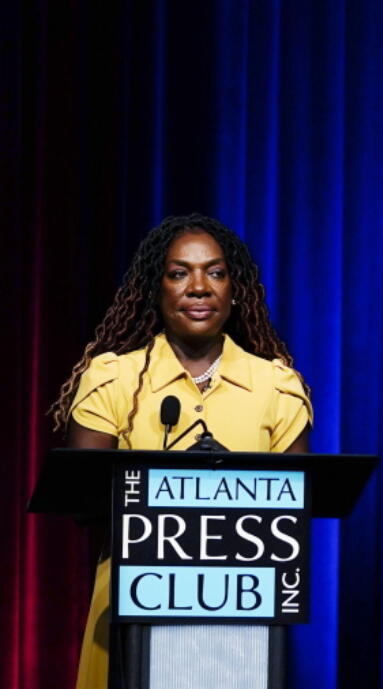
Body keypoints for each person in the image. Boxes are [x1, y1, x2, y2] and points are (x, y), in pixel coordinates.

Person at [49, 214, 312, 689]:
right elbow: (83, 501)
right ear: (157, 288)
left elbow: (292, 511)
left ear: (235, 290)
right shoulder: (111, 379)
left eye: (215, 272)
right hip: (132, 612)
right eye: (178, 273)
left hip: (239, 620)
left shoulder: (277, 387)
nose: (198, 287)